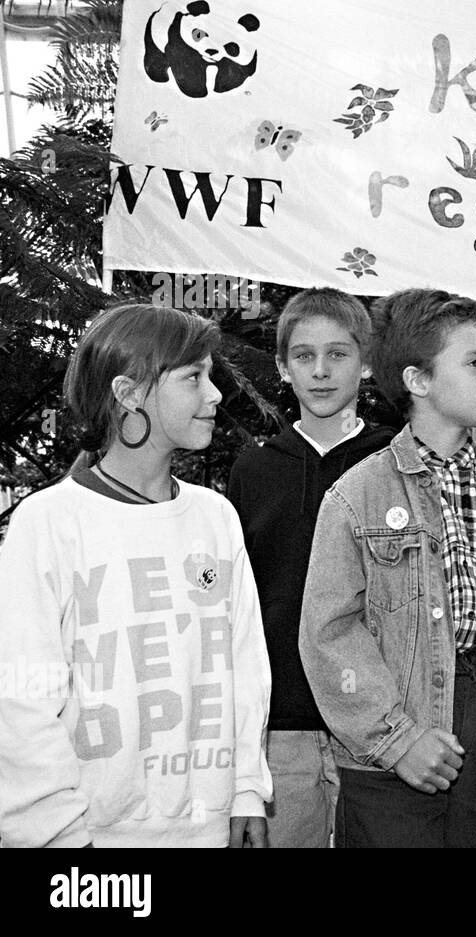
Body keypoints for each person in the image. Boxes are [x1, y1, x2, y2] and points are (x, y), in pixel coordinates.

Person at [298, 289, 476, 848]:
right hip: (397, 734)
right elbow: (329, 634)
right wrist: (398, 740)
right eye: (475, 362)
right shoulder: (356, 497)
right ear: (418, 381)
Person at [0, 303, 272, 847]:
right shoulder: (49, 522)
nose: (215, 394)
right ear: (129, 394)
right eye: (193, 377)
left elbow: (246, 664)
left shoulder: (215, 518)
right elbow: (22, 699)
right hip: (89, 840)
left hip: (209, 829)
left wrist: (246, 787)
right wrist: (56, 835)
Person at [227, 288, 393, 848]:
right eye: (303, 356)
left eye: (339, 354)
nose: (320, 372)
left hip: (380, 722)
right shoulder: (252, 471)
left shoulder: (396, 460)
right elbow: (239, 607)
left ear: (367, 362)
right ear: (282, 367)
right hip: (282, 725)